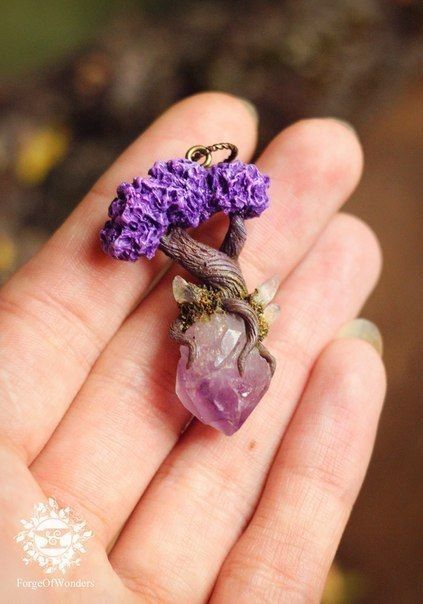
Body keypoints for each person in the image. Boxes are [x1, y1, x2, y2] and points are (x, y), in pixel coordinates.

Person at [0, 93, 386, 602]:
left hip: (223, 303)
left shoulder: (227, 225)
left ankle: (241, 344)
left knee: (237, 296)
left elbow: (231, 250)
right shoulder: (169, 233)